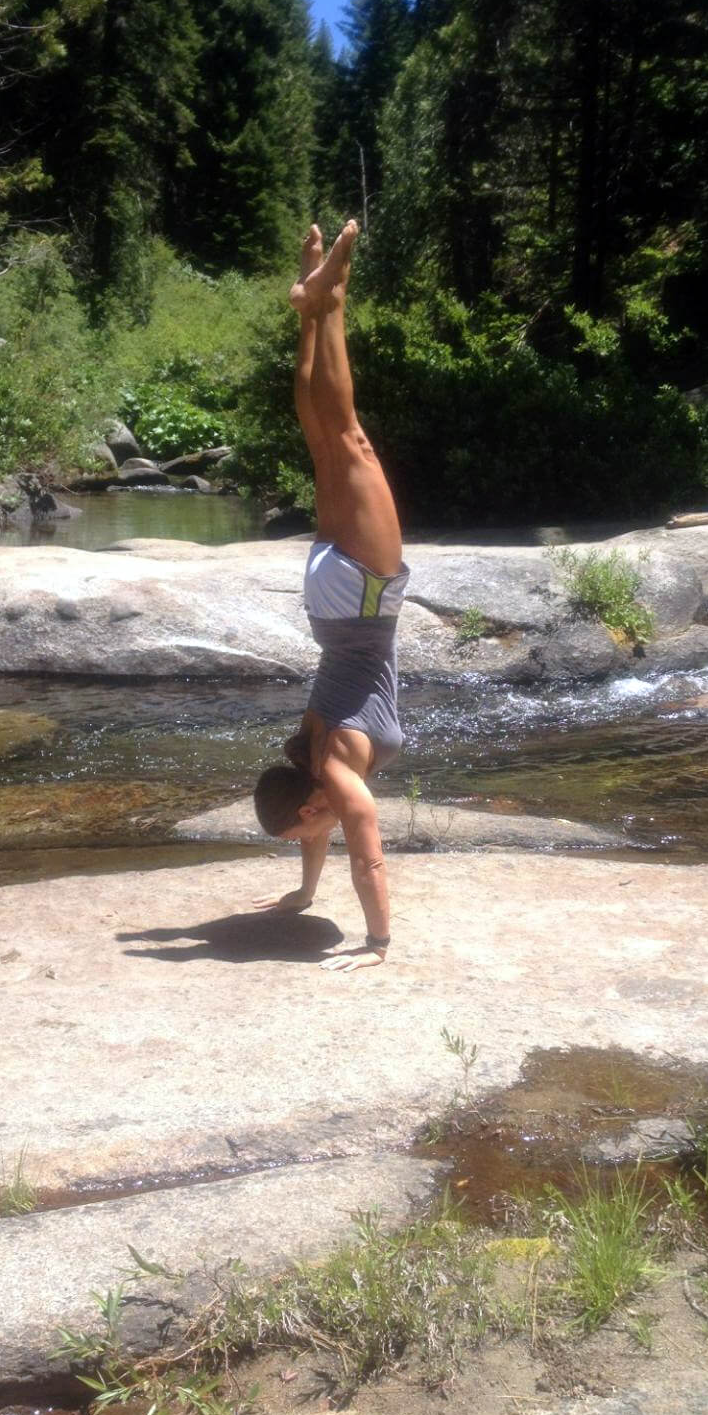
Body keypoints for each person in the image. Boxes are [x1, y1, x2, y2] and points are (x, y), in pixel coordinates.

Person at [252, 220, 407, 973]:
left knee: (348, 438)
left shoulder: (335, 776)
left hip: (363, 599)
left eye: (304, 831)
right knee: (323, 442)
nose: (312, 838)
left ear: (309, 805)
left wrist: (377, 947)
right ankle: (311, 308)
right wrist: (305, 894)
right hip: (328, 604)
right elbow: (316, 830)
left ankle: (329, 301)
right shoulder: (308, 757)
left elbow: (367, 857)